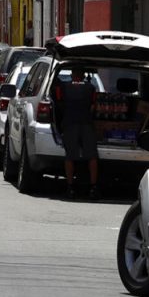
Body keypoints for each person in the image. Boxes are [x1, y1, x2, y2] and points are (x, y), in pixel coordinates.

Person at [53, 64, 99, 198]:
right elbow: (93, 107)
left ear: (73, 74)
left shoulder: (64, 87)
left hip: (69, 123)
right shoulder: (91, 88)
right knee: (91, 156)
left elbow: (59, 102)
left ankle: (70, 187)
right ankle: (93, 187)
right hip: (86, 123)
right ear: (84, 75)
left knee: (70, 156)